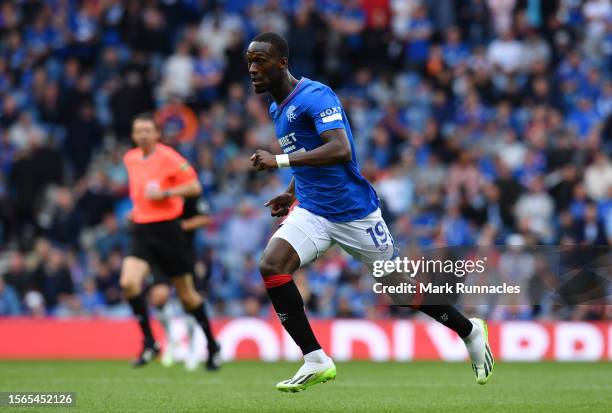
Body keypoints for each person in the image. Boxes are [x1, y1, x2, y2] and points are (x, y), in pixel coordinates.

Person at [247, 32, 494, 392]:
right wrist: (290, 192)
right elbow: (310, 157)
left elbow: (340, 149)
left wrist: (279, 160)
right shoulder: (276, 107)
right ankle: (315, 359)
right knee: (271, 265)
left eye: (259, 61)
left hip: (354, 214)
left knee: (401, 292)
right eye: (249, 62)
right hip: (313, 211)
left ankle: (469, 330)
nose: (252, 69)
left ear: (282, 62)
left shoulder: (315, 96)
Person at [121, 113, 220, 370]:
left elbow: (195, 187)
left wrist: (166, 192)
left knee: (187, 296)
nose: (143, 135)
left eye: (147, 130)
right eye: (138, 130)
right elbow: (139, 193)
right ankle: (150, 342)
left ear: (156, 134)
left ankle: (211, 344)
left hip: (169, 232)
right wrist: (136, 210)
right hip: (142, 229)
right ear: (133, 136)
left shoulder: (170, 158)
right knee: (129, 283)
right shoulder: (130, 158)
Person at [148, 195, 218, 371]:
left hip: (184, 254)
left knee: (188, 300)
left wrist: (181, 226)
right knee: (159, 297)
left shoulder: (192, 195)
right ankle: (170, 339)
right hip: (161, 254)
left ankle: (192, 348)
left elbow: (205, 218)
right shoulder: (160, 193)